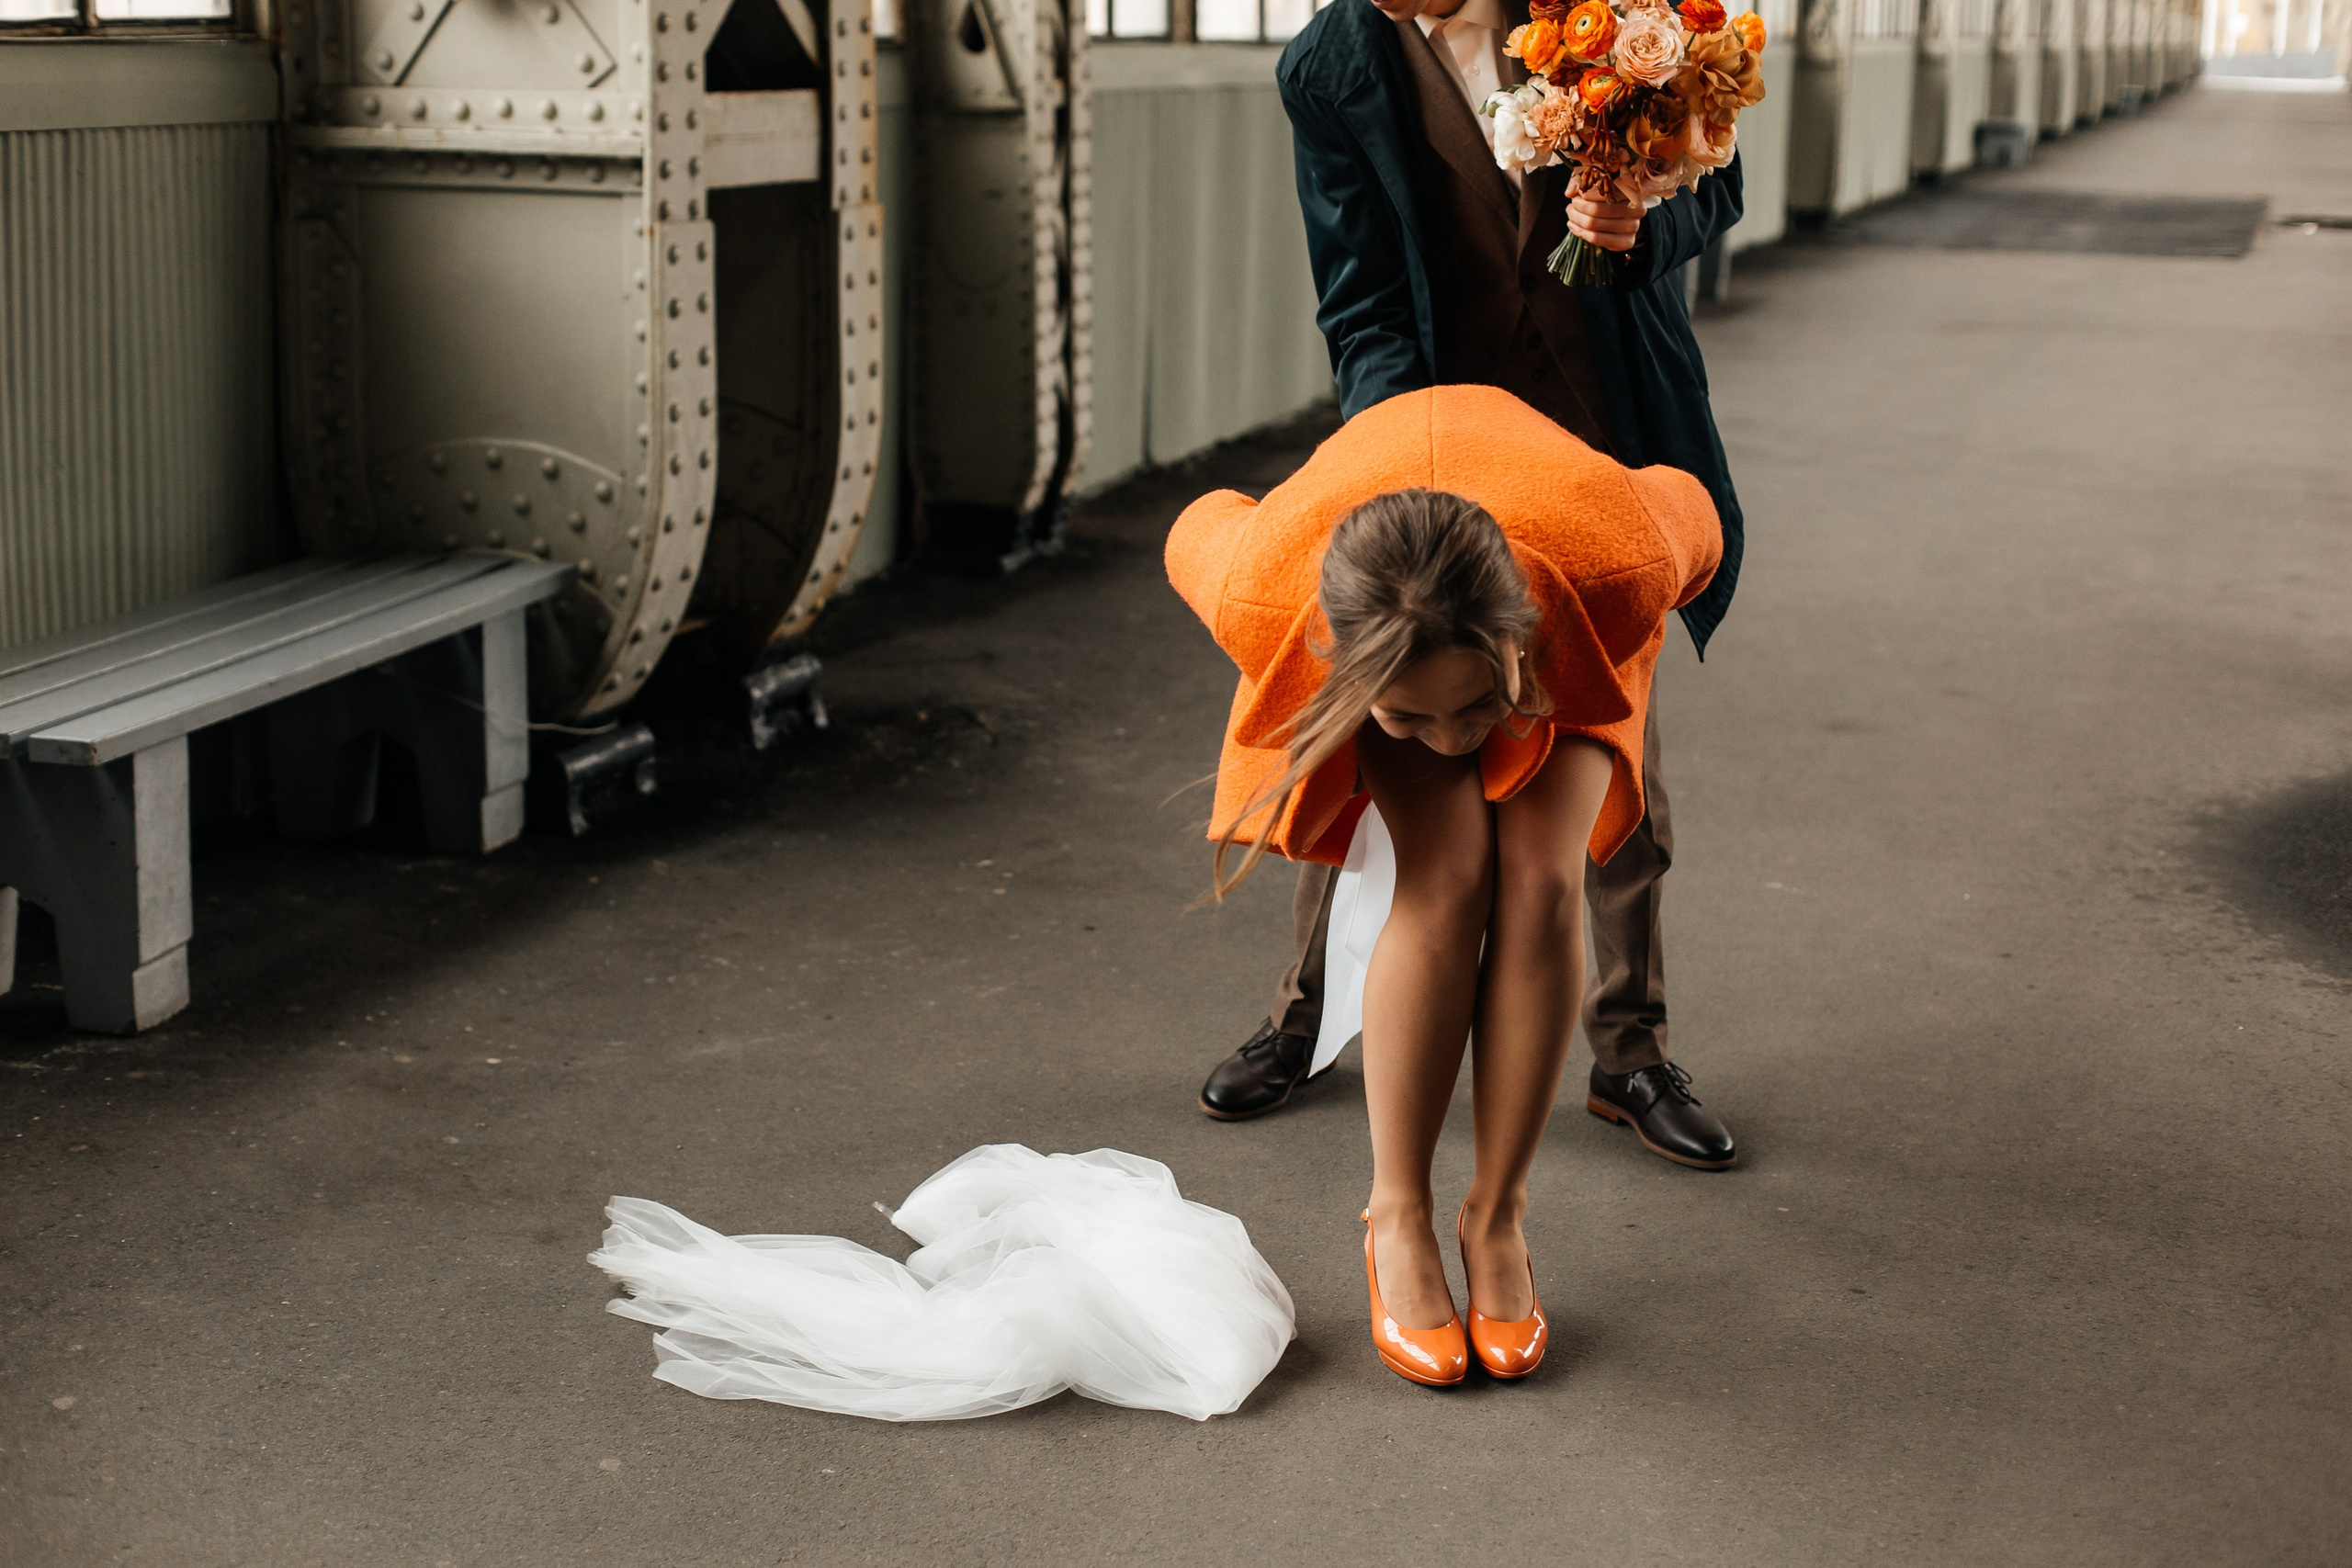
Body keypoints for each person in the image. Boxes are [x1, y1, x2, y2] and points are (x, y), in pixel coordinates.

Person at [1193, 0, 1747, 1171]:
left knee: (1612, 739)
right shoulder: (1330, 66)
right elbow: (1358, 295)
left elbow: (1717, 183)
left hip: (1606, 432)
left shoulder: (1611, 17)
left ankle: (1629, 1051)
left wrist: (1641, 223)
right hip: (1428, 439)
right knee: (1367, 722)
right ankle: (1303, 1020)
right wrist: (1402, 453)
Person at [1167, 384, 1720, 1384]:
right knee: (1446, 876)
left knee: (1544, 879)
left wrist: (1499, 690)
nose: (1454, 744)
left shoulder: (1623, 557)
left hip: (1560, 585)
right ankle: (1397, 1216)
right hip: (1366, 536)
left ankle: (1497, 1218)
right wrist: (1414, 714)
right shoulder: (1264, 586)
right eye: (1412, 721)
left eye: (1470, 712)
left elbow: (1692, 500)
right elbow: (1196, 524)